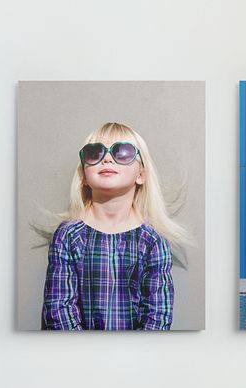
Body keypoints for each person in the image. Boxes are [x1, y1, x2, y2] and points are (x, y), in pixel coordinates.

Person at [41, 122, 189, 330]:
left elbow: (158, 315)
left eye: (123, 152)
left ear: (141, 175)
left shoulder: (153, 241)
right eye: (94, 153)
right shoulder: (68, 236)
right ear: (84, 175)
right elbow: (59, 310)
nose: (107, 158)